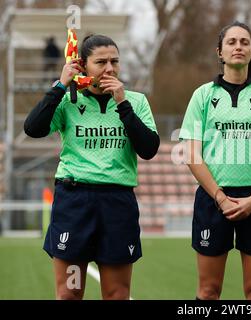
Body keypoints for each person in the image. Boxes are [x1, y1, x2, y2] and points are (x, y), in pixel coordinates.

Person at [24, 34, 160, 300]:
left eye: (115, 61)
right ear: (83, 66)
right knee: (69, 294)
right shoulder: (68, 100)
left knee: (117, 294)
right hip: (75, 204)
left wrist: (122, 103)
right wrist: (61, 85)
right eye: (101, 62)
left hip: (117, 204)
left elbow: (149, 149)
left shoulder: (135, 101)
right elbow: (33, 128)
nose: (110, 68)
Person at [179, 21, 251, 300]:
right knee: (208, 292)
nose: (238, 47)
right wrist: (220, 197)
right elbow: (192, 155)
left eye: (244, 42)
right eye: (231, 42)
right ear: (220, 52)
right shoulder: (202, 96)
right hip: (213, 199)